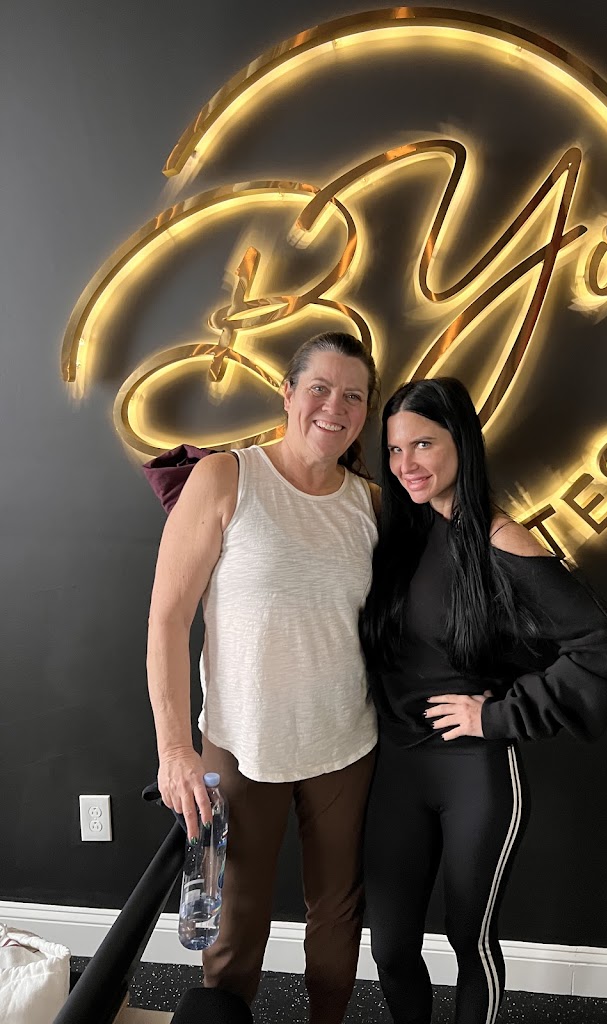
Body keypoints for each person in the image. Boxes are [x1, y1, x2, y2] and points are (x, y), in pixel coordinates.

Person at [359, 377, 607, 1024]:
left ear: (461, 441)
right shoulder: (396, 536)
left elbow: (603, 649)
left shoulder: (501, 538)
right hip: (394, 767)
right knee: (390, 948)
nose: (406, 464)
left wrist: (498, 714)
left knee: (469, 939)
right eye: (395, 449)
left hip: (474, 771)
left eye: (423, 444)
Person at [146, 332, 380, 1023]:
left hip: (345, 743)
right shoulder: (227, 478)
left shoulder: (371, 504)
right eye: (320, 389)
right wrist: (173, 749)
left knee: (337, 916)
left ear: (366, 412)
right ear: (288, 392)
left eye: (353, 396)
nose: (334, 407)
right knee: (233, 924)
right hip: (241, 745)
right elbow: (168, 619)